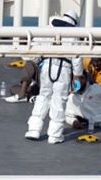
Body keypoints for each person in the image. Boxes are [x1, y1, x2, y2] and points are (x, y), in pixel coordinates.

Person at [24, 10, 83, 144]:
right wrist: (78, 75)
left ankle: (34, 129)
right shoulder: (74, 34)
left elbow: (34, 48)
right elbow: (77, 57)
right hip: (64, 70)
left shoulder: (49, 29)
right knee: (59, 101)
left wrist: (38, 61)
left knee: (43, 97)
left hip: (47, 67)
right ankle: (55, 135)